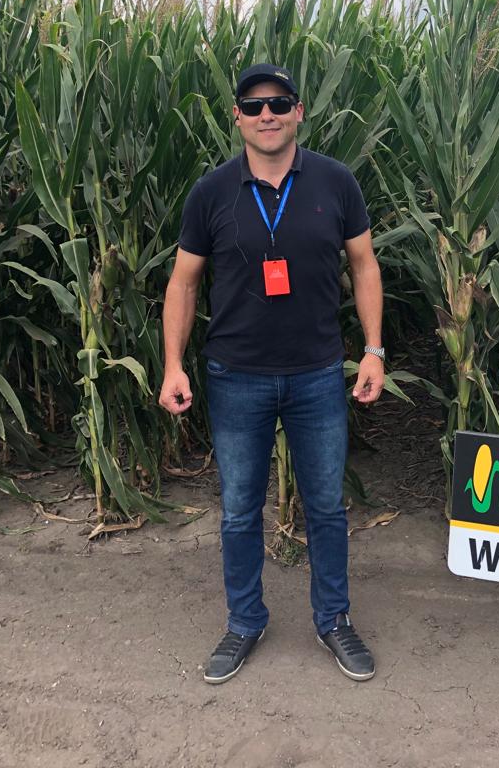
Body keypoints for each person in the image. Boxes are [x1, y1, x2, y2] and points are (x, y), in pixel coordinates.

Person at [158, 62, 384, 685]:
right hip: (236, 376)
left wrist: (373, 349)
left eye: (280, 104)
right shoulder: (211, 192)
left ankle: (333, 619)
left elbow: (364, 265)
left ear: (298, 112)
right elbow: (183, 282)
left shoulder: (336, 182)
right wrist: (173, 364)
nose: (267, 115)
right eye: (254, 105)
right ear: (237, 116)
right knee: (238, 511)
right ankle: (244, 622)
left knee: (327, 508)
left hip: (317, 375)